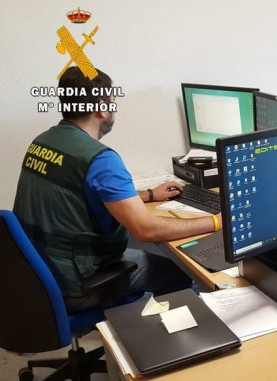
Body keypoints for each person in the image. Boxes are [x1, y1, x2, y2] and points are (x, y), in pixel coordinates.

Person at [13, 66, 220, 311]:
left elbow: (80, 195)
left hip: (37, 273)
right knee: (180, 272)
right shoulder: (100, 159)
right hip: (79, 281)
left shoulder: (43, 141)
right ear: (101, 108)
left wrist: (149, 195)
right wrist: (217, 222)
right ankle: (163, 342)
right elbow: (147, 230)